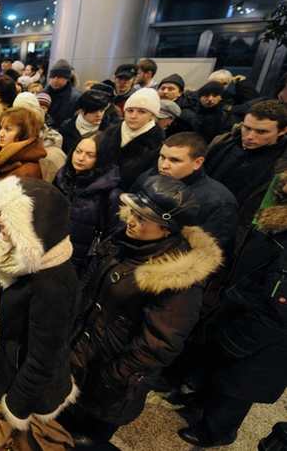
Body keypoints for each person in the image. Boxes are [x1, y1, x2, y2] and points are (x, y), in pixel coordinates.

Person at [59, 175, 222, 446]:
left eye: (143, 218)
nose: (131, 220)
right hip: (84, 354)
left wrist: (115, 376)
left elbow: (160, 342)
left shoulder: (178, 279)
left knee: (88, 437)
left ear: (168, 229)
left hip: (113, 375)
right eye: (133, 211)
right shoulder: (125, 239)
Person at [177, 171, 287, 448]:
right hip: (242, 310)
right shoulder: (279, 213)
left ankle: (217, 432)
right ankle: (202, 405)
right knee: (222, 373)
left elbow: (277, 312)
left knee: (237, 387)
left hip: (263, 335)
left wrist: (239, 339)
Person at [0, 176, 81, 429]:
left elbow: (43, 360)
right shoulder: (14, 257)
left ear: (33, 228)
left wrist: (14, 410)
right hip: (6, 367)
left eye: (9, 217)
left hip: (22, 390)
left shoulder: (49, 284)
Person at [133, 132, 239, 261]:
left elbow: (212, 256)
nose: (164, 165)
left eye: (175, 160)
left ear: (197, 163)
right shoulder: (149, 177)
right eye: (162, 157)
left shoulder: (218, 201)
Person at [205, 100, 287, 245]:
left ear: (282, 131)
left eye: (261, 132)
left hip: (235, 237)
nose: (250, 136)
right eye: (247, 128)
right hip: (198, 217)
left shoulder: (282, 167)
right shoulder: (224, 142)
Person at [53, 131, 122, 275]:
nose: (80, 158)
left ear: (101, 158)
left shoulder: (110, 193)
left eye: (90, 155)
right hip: (52, 250)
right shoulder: (62, 176)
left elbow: (112, 236)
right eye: (78, 151)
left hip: (80, 262)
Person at [104, 87, 165, 190]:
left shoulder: (157, 144)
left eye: (141, 112)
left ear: (152, 115)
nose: (133, 116)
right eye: (130, 110)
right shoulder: (109, 132)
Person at [0, 106, 47, 180]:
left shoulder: (27, 171)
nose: (0, 134)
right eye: (1, 128)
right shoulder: (0, 159)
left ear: (23, 133)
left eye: (8, 129)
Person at [41, 59, 83, 131]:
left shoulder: (76, 97)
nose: (55, 80)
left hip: (65, 135)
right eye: (53, 77)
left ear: (67, 78)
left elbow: (76, 121)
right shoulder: (42, 94)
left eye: (59, 77)